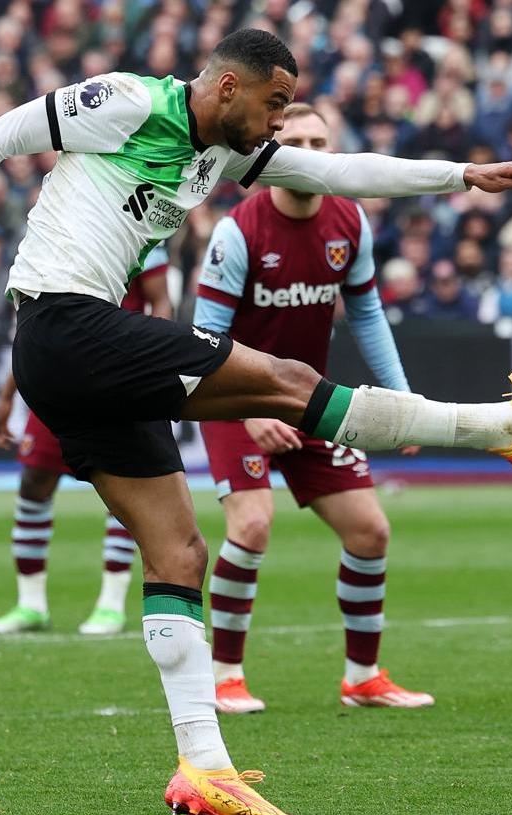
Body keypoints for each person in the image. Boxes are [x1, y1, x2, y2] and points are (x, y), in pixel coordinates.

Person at [0, 29, 512, 815]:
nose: (280, 123)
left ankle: (202, 769)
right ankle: (504, 428)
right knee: (287, 383)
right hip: (67, 324)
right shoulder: (131, 102)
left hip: (68, 351)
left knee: (178, 552)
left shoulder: (221, 156)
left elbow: (338, 171)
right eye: (275, 103)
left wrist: (461, 177)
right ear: (228, 87)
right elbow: (5, 132)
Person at [191, 104, 433, 714]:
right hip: (232, 399)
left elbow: (368, 314)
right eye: (293, 139)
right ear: (273, 148)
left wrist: (402, 397)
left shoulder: (350, 219)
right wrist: (248, 413)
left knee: (370, 531)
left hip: (307, 398)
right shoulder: (238, 231)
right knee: (251, 525)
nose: (307, 149)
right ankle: (224, 675)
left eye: (318, 140)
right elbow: (204, 340)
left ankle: (362, 677)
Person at [0, 248, 173, 636]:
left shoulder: (141, 232)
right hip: (57, 374)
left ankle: (111, 604)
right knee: (34, 482)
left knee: (122, 488)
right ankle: (30, 604)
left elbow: (161, 299)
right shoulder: (55, 237)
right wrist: (6, 394)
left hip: (116, 377)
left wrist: (149, 364)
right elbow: (31, 320)